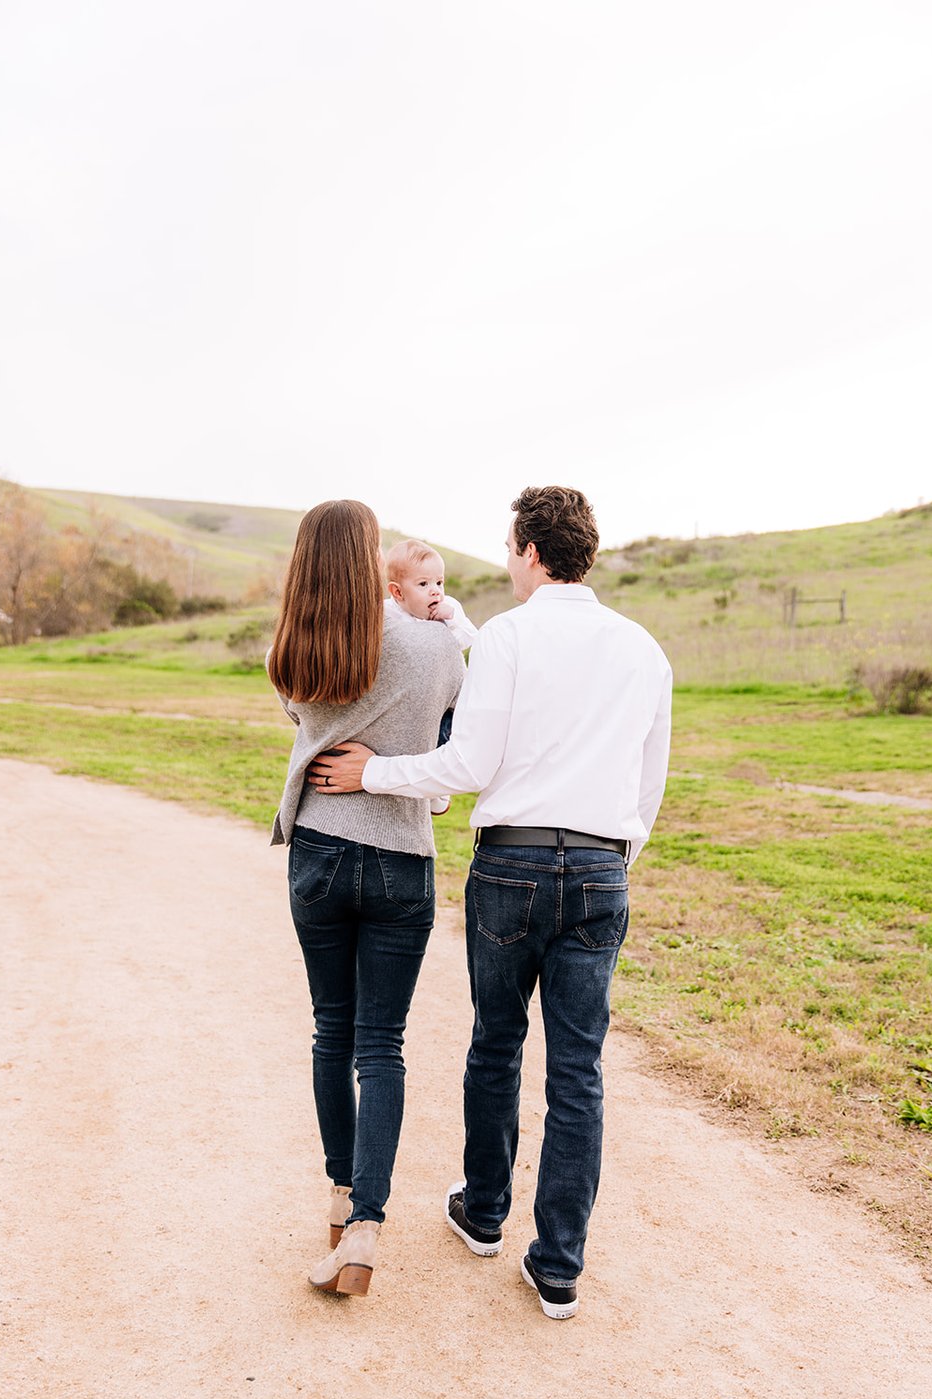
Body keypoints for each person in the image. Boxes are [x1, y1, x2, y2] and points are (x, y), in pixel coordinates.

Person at [309, 485, 672, 1319]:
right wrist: (614, 857)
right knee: (578, 1071)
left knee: (496, 1045)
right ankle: (558, 1266)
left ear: (532, 553)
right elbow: (647, 783)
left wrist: (376, 774)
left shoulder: (508, 637)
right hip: (602, 867)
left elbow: (467, 763)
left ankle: (483, 1214)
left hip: (509, 868)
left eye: (511, 548)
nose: (508, 563)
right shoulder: (643, 649)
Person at [267, 499, 463, 1297]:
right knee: (383, 1044)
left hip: (317, 846)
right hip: (399, 853)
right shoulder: (434, 645)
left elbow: (302, 718)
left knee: (331, 1033)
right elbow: (454, 717)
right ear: (373, 560)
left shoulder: (293, 650)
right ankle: (368, 1227)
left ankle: (343, 1193)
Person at [384, 539, 478, 814]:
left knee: (444, 737)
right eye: (424, 585)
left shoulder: (449, 608)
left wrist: (449, 621)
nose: (435, 591)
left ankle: (439, 792)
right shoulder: (388, 614)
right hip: (410, 696)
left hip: (446, 696)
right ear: (397, 593)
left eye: (439, 582)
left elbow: (469, 638)